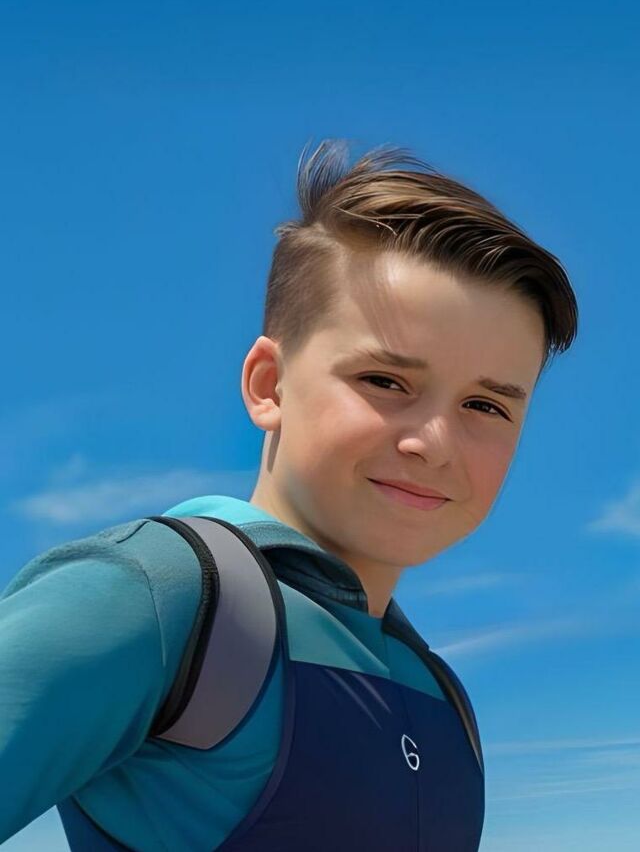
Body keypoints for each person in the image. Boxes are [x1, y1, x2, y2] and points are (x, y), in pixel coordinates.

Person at [0, 139, 579, 851]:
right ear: (269, 385)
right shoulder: (155, 601)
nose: (434, 442)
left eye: (486, 406)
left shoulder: (438, 690)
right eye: (385, 381)